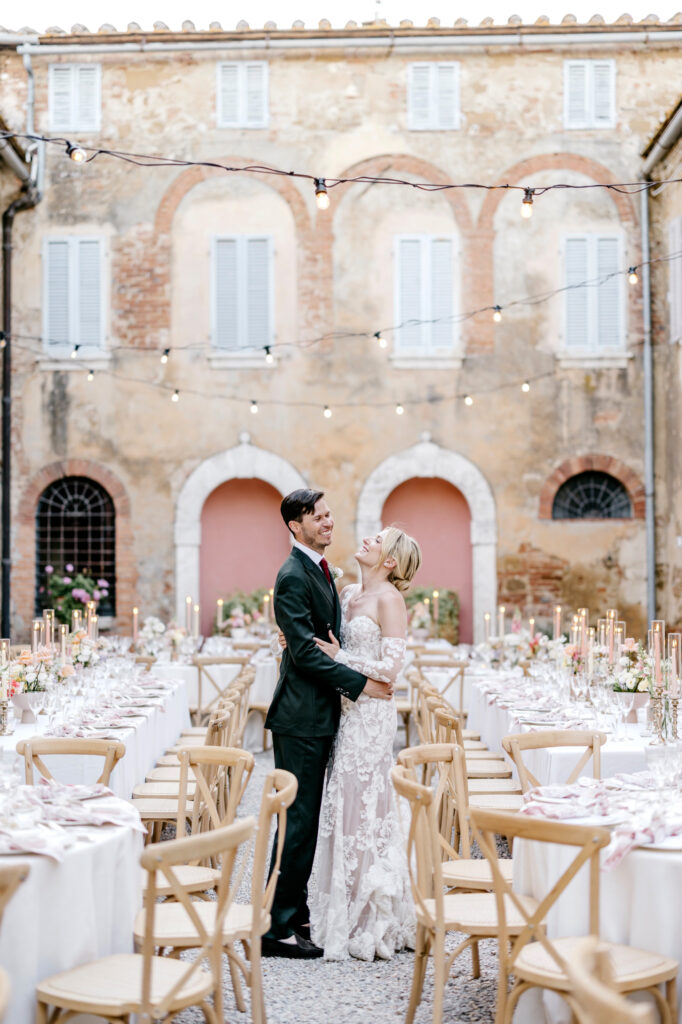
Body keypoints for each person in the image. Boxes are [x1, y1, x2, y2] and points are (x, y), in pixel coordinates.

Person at [262, 489, 394, 960]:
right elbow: (305, 653)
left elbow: (327, 639)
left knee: (305, 819)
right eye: (316, 517)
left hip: (320, 714)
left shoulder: (319, 569)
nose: (327, 522)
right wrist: (362, 686)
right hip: (301, 717)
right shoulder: (293, 574)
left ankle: (293, 911)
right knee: (297, 820)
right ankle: (276, 929)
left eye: (328, 514)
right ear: (294, 527)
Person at [310, 525, 421, 961]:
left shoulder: (390, 600)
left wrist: (340, 658)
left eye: (377, 540)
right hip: (347, 711)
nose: (368, 540)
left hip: (371, 718)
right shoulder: (349, 591)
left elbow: (390, 671)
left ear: (390, 561)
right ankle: (344, 906)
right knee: (343, 805)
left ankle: (369, 915)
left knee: (363, 805)